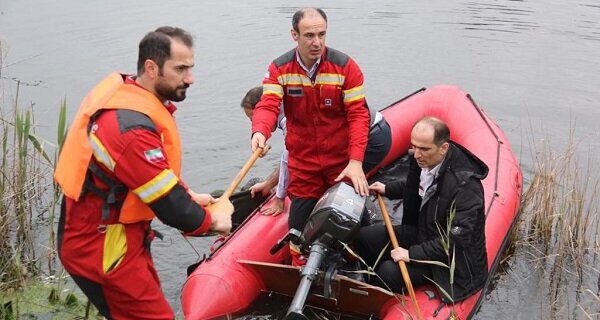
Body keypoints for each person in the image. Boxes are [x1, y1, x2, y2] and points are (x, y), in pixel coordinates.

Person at [54, 26, 232, 319]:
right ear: (151, 68)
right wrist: (212, 222)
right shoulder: (130, 129)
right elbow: (170, 205)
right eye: (181, 69)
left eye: (191, 67)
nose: (191, 78)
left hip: (116, 236)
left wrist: (188, 195)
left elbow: (147, 175)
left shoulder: (129, 99)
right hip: (102, 246)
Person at [250, 8, 373, 265]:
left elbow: (358, 117)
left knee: (356, 225)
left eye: (321, 34)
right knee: (297, 232)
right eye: (309, 35)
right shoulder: (279, 68)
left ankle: (357, 268)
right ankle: (301, 272)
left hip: (341, 163)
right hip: (304, 164)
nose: (316, 42)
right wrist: (260, 131)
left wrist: (356, 161)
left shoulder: (345, 67)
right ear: (294, 35)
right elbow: (268, 104)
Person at [354, 116, 488, 303]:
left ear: (444, 148)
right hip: (425, 234)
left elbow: (455, 241)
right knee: (364, 238)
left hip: (451, 262)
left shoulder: (466, 187)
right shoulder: (422, 161)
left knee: (388, 271)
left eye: (424, 149)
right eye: (414, 146)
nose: (416, 154)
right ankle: (366, 284)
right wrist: (388, 189)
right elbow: (417, 186)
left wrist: (411, 254)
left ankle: (377, 305)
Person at [242, 86, 391, 216]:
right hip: (360, 134)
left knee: (336, 186)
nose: (254, 124)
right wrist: (269, 183)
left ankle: (363, 214)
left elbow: (289, 157)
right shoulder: (286, 104)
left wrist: (280, 198)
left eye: (253, 118)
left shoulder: (289, 118)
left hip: (372, 138)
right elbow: (292, 157)